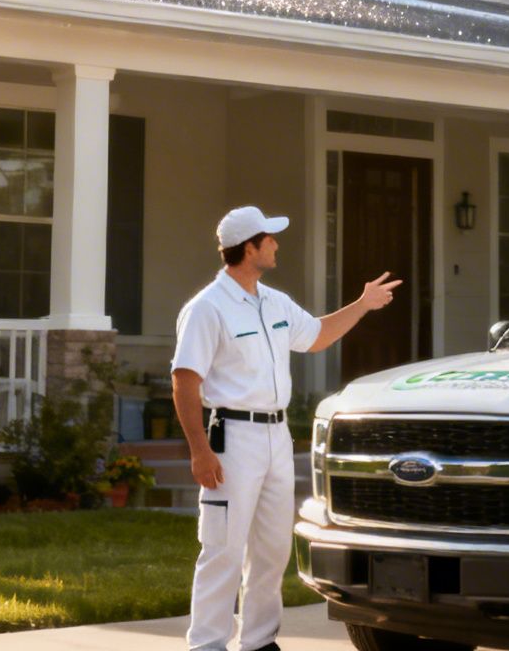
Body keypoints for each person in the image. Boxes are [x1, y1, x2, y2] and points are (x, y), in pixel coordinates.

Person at [171, 205, 403, 651]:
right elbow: (185, 380)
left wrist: (363, 304)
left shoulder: (273, 302)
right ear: (250, 247)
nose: (277, 244)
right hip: (231, 439)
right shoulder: (207, 308)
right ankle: (207, 645)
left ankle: (259, 643)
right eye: (270, 239)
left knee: (273, 550)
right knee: (222, 549)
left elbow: (316, 336)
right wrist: (199, 451)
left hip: (277, 438)